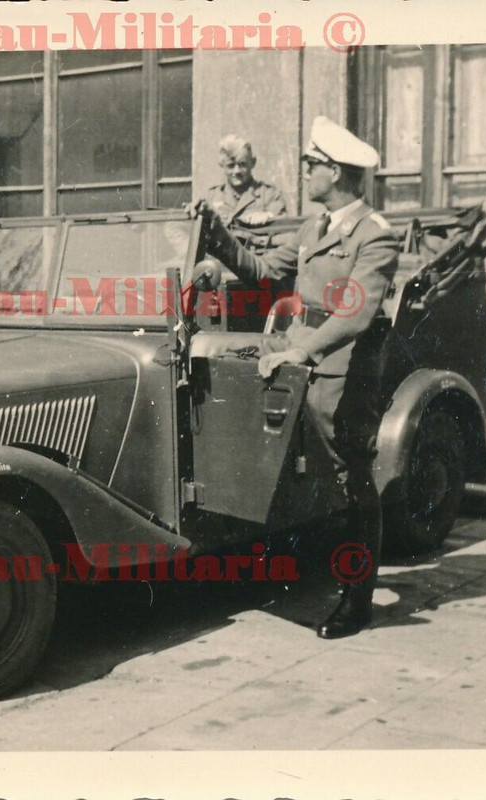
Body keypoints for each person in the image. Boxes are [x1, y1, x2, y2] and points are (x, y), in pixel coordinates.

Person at [197, 116, 398, 639]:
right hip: (302, 356)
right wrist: (212, 231)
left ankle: (356, 600)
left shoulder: (374, 235)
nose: (305, 172)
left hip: (342, 368)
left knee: (349, 481)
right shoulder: (314, 229)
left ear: (334, 172)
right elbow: (262, 270)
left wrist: (301, 352)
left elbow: (354, 313)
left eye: (312, 165)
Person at [201, 134, 288, 229]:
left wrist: (268, 215)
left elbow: (282, 225)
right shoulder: (212, 197)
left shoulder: (269, 195)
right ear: (222, 166)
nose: (237, 171)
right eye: (231, 166)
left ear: (253, 163)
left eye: (242, 165)